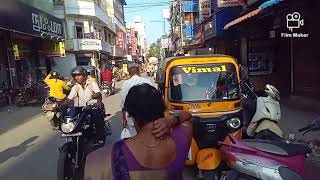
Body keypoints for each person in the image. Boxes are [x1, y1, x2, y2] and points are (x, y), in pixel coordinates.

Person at [85, 83, 193, 180]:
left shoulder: (102, 157)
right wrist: (172, 119)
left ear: (131, 116)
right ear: (162, 110)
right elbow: (188, 116)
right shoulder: (180, 138)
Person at [59, 66, 105, 143]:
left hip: (92, 107)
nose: (77, 77)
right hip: (80, 109)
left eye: (79, 75)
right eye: (75, 76)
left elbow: (98, 93)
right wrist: (60, 107)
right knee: (73, 122)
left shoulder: (92, 83)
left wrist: (98, 102)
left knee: (97, 119)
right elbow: (68, 100)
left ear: (84, 75)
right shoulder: (75, 87)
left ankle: (100, 137)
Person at [120, 63, 153, 136]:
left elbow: (123, 104)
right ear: (139, 72)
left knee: (134, 139)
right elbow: (154, 100)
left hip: (131, 119)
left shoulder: (126, 83)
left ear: (129, 73)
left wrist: (124, 118)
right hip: (147, 118)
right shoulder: (147, 81)